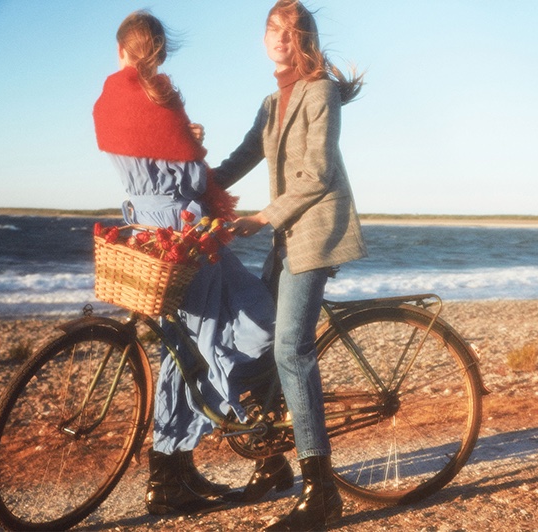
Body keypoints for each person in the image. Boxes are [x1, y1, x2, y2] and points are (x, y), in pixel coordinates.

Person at [92, 10, 277, 516]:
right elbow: (189, 181)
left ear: (122, 50)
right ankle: (250, 434)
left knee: (185, 350)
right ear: (161, 51)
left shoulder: (109, 101)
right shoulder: (162, 99)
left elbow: (159, 164)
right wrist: (195, 148)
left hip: (149, 233)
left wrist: (188, 146)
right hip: (183, 238)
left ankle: (172, 471)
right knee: (246, 325)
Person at [213, 1, 367, 529]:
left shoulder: (319, 91)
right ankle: (272, 462)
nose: (281, 38)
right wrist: (194, 186)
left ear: (305, 39)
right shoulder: (269, 102)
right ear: (264, 39)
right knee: (258, 335)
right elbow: (239, 159)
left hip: (316, 233)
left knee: (289, 349)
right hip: (286, 234)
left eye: (291, 31)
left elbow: (319, 174)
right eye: (273, 30)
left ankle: (321, 492)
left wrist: (260, 218)